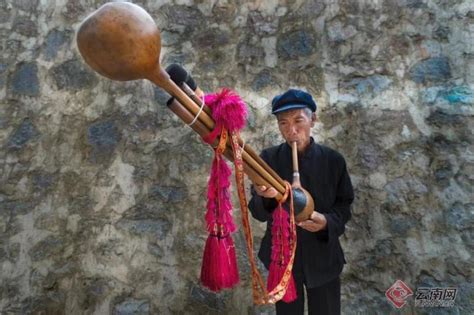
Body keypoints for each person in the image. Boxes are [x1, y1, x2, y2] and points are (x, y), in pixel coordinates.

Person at [248, 89, 354, 315]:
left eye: (299, 121)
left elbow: (344, 208)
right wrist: (265, 199)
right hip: (283, 260)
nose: (292, 131)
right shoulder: (268, 160)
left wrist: (325, 222)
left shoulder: (333, 161)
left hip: (324, 257)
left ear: (313, 119)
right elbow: (257, 211)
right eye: (283, 123)